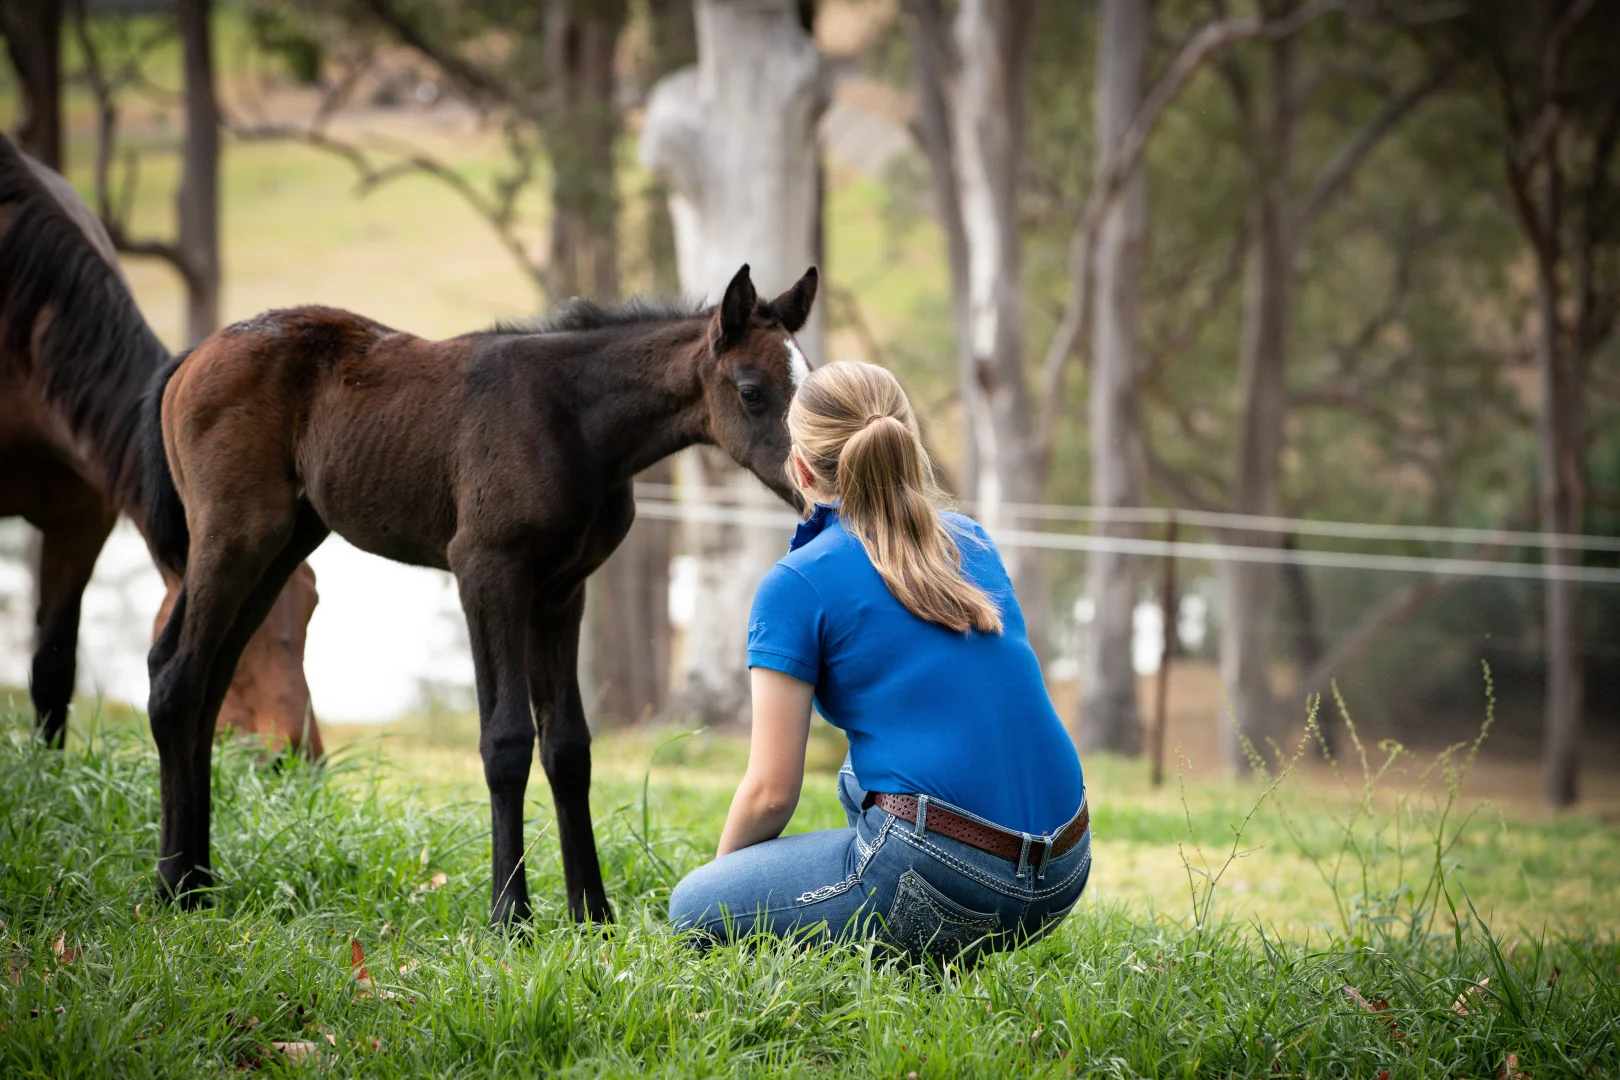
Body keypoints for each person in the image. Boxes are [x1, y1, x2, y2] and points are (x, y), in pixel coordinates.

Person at [668, 361, 1089, 965]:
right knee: (856, 776)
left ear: (802, 468)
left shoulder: (795, 585)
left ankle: (921, 919)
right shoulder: (969, 538)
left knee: (693, 907)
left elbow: (769, 793)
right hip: (1066, 866)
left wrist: (722, 886)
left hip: (947, 880)